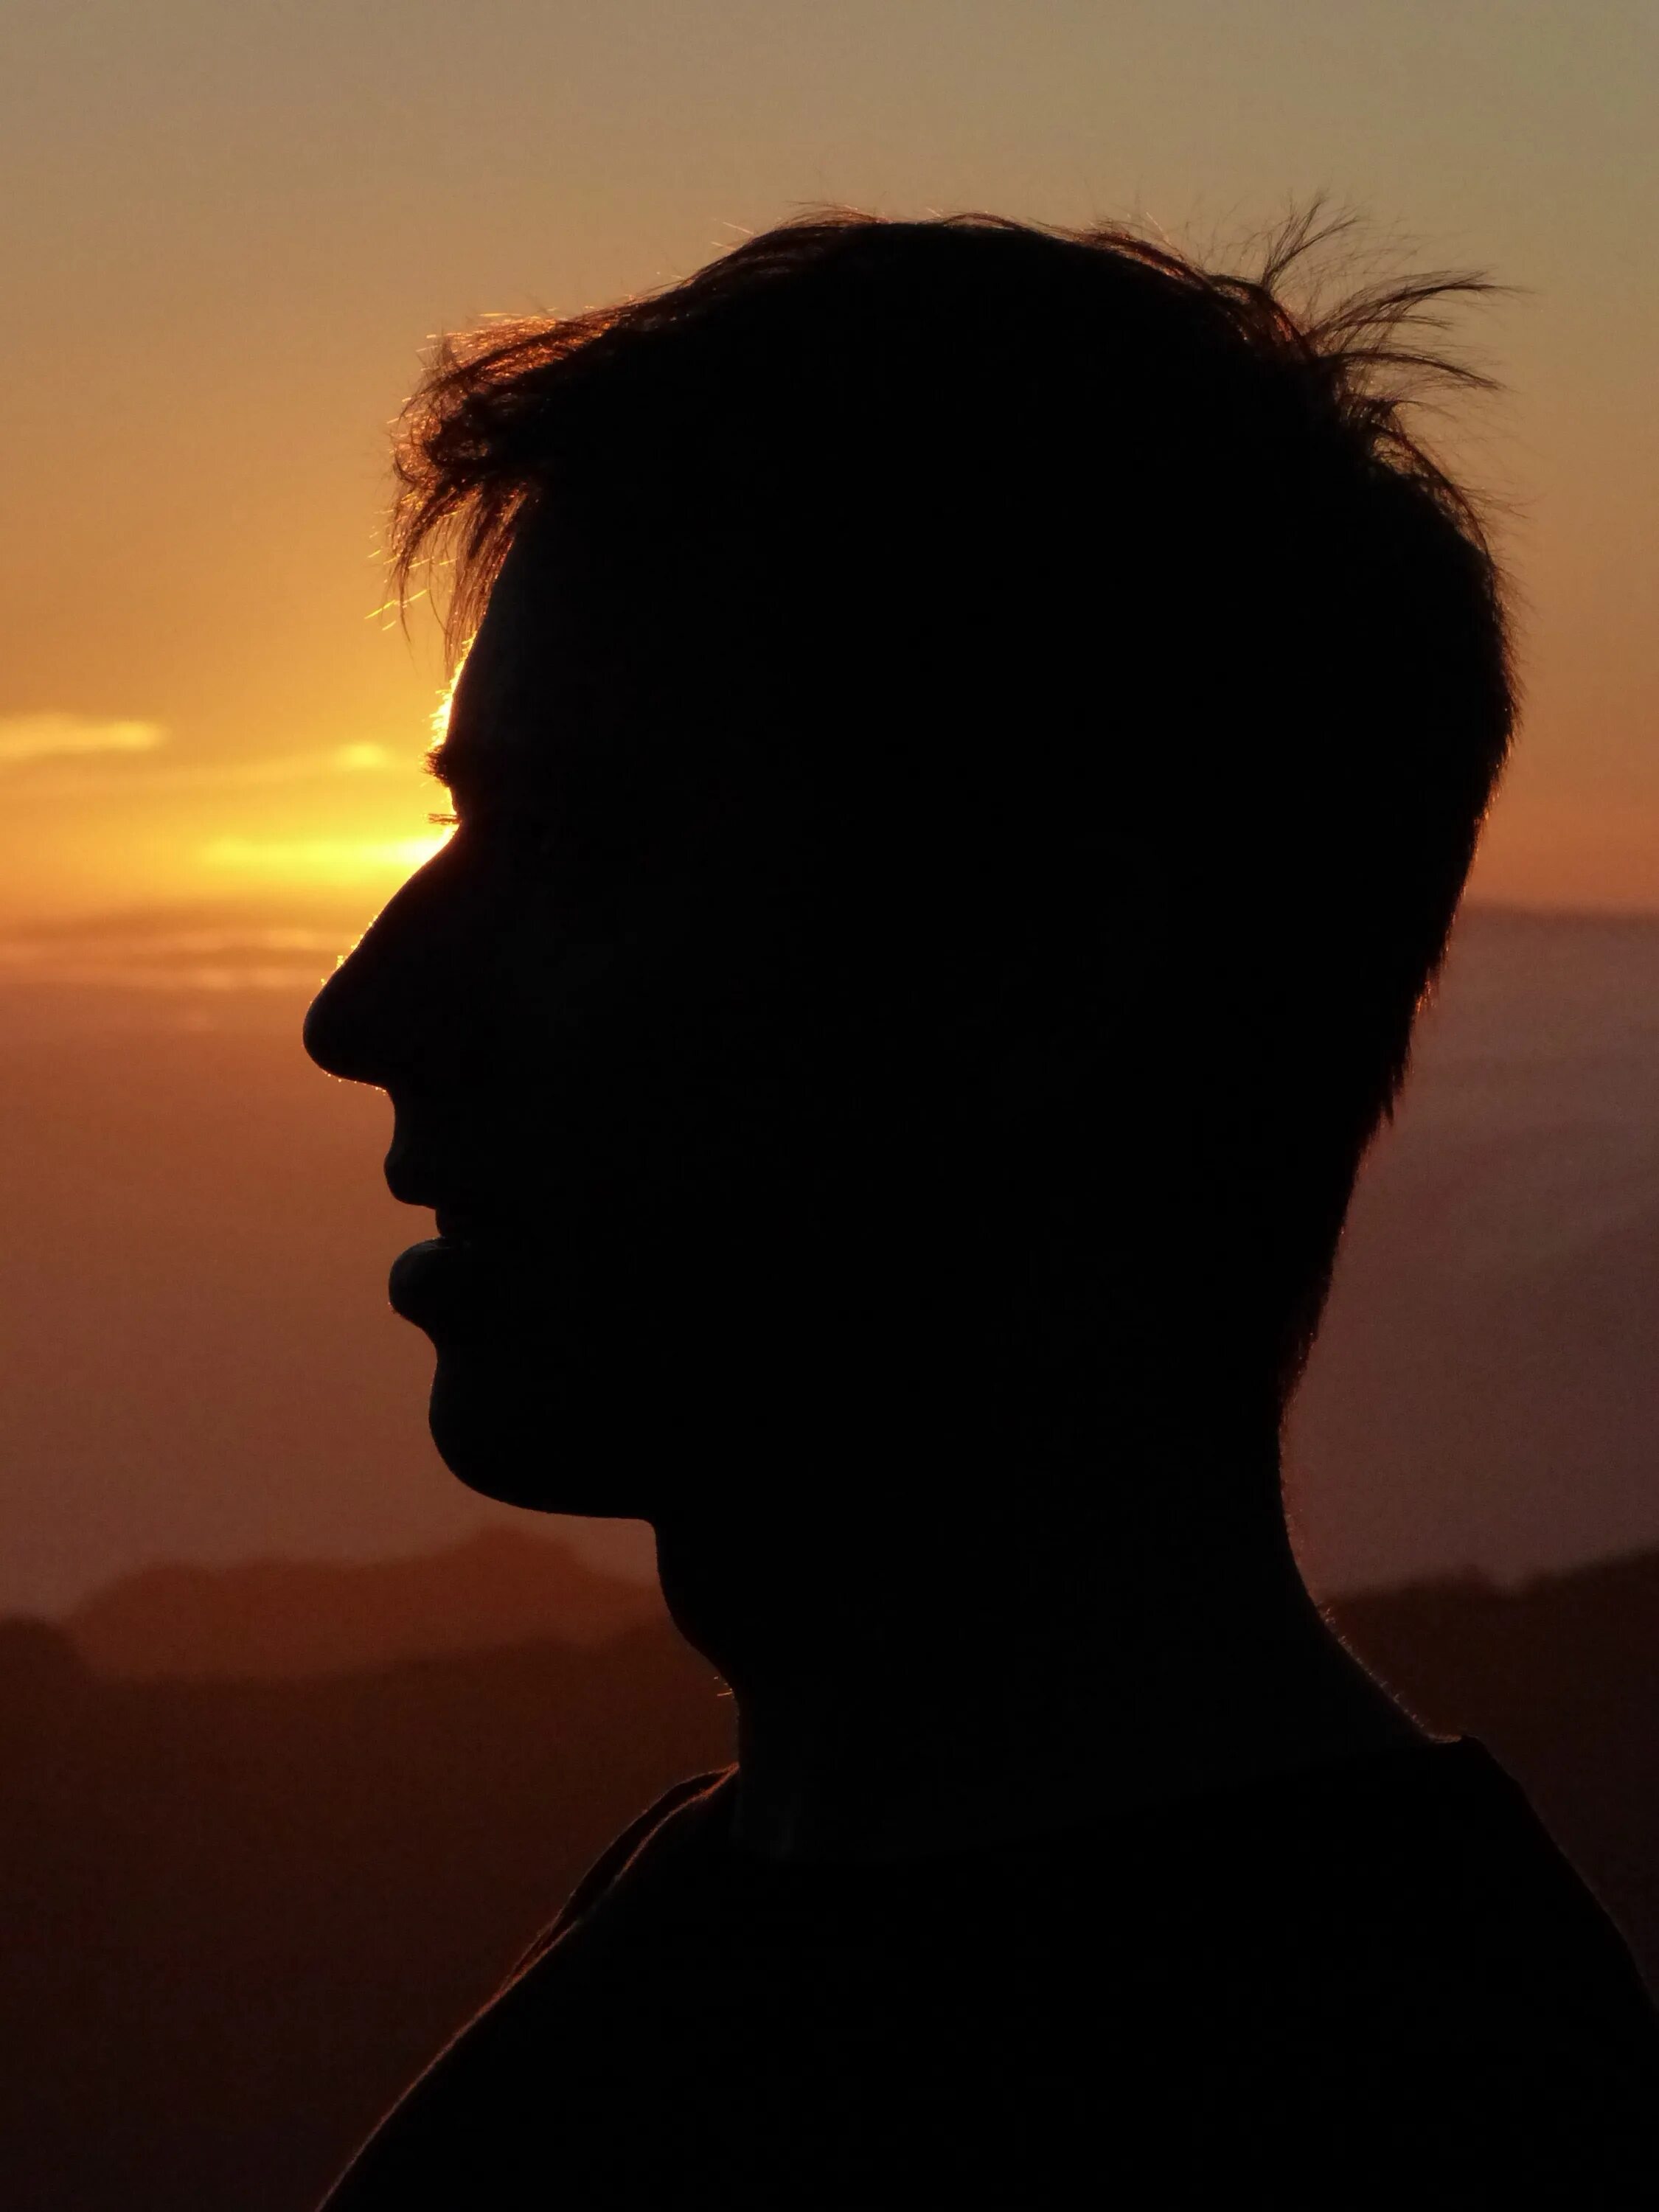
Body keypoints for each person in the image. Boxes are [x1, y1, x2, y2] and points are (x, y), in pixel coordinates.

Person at [303, 209, 1659, 2203]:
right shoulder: (731, 1925)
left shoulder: (1389, 2116)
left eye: (584, 848)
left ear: (1029, 974)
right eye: (454, 825)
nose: (364, 1011)